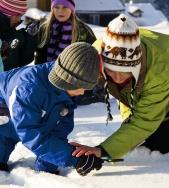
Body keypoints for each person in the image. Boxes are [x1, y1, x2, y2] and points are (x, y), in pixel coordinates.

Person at [71, 14, 169, 162]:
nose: (118, 78)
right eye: (111, 71)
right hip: (155, 92)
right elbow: (71, 79)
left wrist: (103, 151)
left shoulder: (160, 69)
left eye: (125, 72)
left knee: (161, 145)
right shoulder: (95, 56)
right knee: (137, 139)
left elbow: (144, 121)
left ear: (137, 65)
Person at [0, 42, 103, 176]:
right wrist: (73, 159)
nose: (83, 93)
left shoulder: (64, 93)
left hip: (21, 118)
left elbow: (58, 133)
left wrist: (47, 171)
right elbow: (29, 133)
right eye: (82, 87)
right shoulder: (28, 88)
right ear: (69, 81)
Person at [35, 0, 105, 105]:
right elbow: (39, 56)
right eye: (56, 7)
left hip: (75, 81)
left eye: (65, 7)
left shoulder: (83, 30)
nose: (60, 11)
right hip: (49, 77)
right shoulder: (45, 28)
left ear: (72, 10)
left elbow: (93, 57)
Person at [0, 0, 36, 71]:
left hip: (13, 77)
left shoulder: (15, 29)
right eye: (17, 15)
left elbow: (24, 63)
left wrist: (30, 38)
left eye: (20, 15)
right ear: (7, 13)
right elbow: (3, 59)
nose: (19, 19)